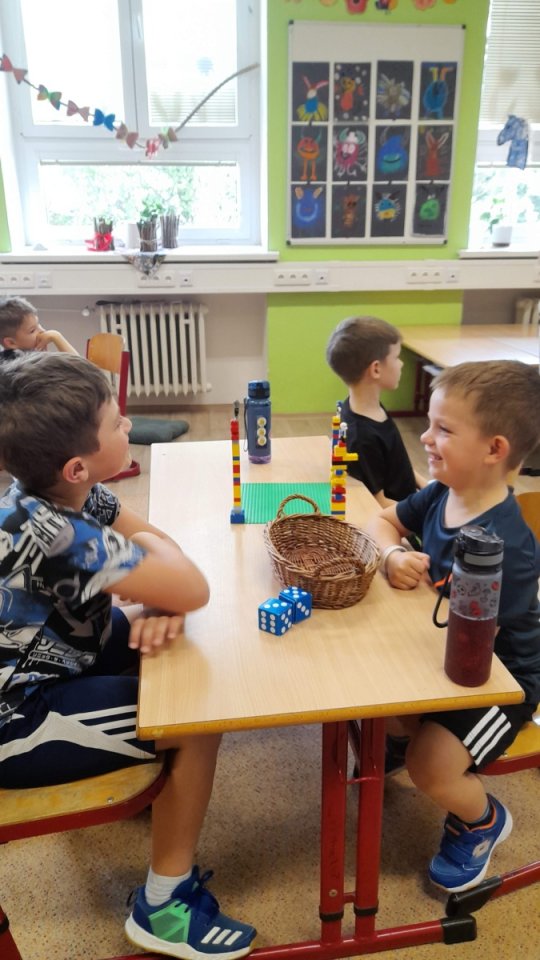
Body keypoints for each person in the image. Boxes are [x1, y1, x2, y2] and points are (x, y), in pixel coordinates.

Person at [0, 352, 256, 959]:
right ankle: (164, 907)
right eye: (117, 422)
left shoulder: (62, 492)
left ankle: (145, 777)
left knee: (167, 644)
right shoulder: (61, 535)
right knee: (196, 716)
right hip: (16, 719)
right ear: (77, 464)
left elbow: (163, 548)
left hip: (59, 653)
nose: (129, 424)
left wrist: (161, 594)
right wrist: (165, 589)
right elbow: (190, 583)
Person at [368, 359, 540, 893]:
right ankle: (409, 734)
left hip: (499, 680)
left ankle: (482, 821)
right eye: (429, 424)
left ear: (494, 449)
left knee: (431, 766)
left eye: (443, 428)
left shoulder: (508, 548)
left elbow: (473, 657)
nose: (424, 438)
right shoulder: (444, 492)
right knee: (377, 692)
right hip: (440, 649)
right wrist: (394, 555)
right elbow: (383, 520)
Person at [326, 315, 427, 507]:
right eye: (396, 357)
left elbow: (398, 463)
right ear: (376, 369)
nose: (401, 364)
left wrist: (427, 487)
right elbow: (379, 502)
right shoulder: (361, 437)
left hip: (409, 504)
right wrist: (423, 514)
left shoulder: (372, 409)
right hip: (399, 517)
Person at [0, 295, 78, 355]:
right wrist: (56, 337)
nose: (42, 331)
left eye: (38, 325)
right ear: (11, 343)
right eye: (32, 330)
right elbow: (80, 368)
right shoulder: (23, 365)